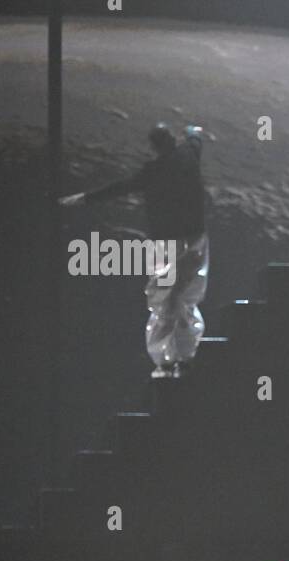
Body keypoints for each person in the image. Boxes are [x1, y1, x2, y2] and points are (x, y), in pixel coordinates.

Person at [60, 122, 209, 379]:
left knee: (163, 302)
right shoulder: (188, 156)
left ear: (153, 148)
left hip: (164, 242)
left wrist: (84, 198)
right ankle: (186, 357)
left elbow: (119, 188)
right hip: (195, 238)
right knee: (186, 297)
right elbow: (195, 139)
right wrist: (192, 130)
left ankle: (164, 362)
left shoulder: (151, 172)